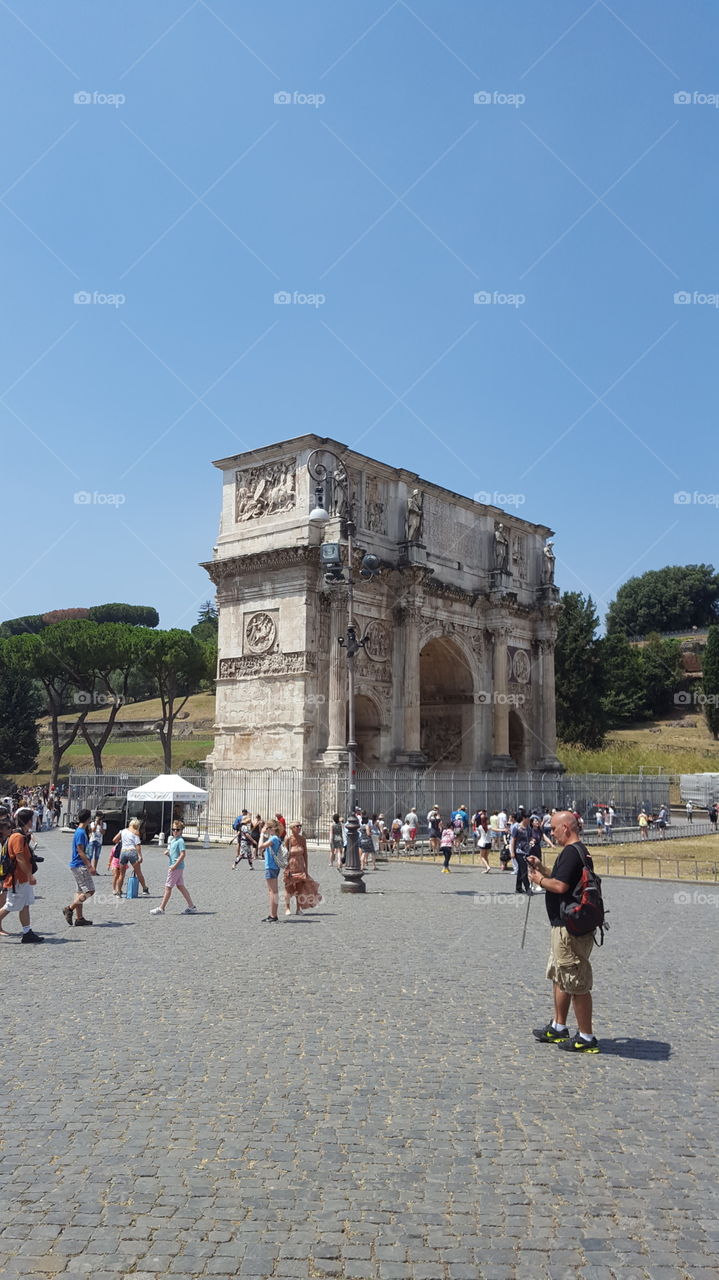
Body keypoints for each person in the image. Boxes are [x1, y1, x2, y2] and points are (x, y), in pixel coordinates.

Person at [528, 810, 600, 1053]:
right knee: (560, 976)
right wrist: (543, 870)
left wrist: (538, 880)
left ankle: (586, 1036)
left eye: (554, 829)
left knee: (576, 980)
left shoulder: (571, 852)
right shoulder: (578, 851)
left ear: (566, 829)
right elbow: (562, 879)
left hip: (569, 929)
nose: (551, 833)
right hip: (564, 925)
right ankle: (559, 1026)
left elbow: (559, 886)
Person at [0, 807, 44, 943]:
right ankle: (27, 932)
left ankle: (27, 932)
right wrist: (30, 875)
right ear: (28, 821)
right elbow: (19, 858)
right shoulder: (17, 837)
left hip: (21, 877)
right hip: (18, 878)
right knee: (10, 905)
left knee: (25, 904)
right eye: (32, 819)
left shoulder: (18, 835)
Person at [150, 820, 197, 915]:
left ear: (181, 831)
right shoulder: (173, 840)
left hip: (175, 867)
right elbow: (175, 855)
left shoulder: (180, 841)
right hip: (177, 867)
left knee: (168, 887)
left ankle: (161, 908)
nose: (175, 831)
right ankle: (191, 906)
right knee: (180, 886)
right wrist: (168, 854)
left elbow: (183, 854)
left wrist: (174, 866)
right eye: (173, 829)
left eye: (177, 830)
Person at [63, 808, 97, 927]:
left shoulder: (81, 831)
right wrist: (89, 865)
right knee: (90, 891)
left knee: (80, 892)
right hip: (79, 865)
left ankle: (80, 918)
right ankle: (70, 908)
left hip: (77, 864)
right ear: (88, 818)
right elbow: (80, 851)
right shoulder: (81, 833)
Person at [283, 821, 321, 915]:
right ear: (292, 828)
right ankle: (287, 908)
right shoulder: (288, 839)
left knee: (299, 888)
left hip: (300, 867)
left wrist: (306, 869)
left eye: (300, 826)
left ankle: (298, 908)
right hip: (290, 866)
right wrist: (286, 868)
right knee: (288, 888)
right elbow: (284, 854)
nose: (299, 828)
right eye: (297, 826)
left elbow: (305, 855)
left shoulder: (302, 839)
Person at [111, 817, 149, 895]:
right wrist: (140, 856)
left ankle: (119, 891)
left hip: (123, 852)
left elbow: (114, 840)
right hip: (132, 851)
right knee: (138, 872)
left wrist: (121, 841)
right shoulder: (136, 832)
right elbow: (137, 845)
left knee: (122, 874)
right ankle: (144, 888)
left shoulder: (122, 831)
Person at [258, 819, 282, 921]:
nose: (265, 829)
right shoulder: (274, 838)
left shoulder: (274, 839)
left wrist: (261, 834)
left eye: (267, 827)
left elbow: (260, 847)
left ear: (271, 829)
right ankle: (272, 914)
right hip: (273, 867)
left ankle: (273, 915)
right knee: (272, 891)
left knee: (273, 892)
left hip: (271, 867)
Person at [510, 812, 531, 894]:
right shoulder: (516, 827)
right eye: (528, 819)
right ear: (524, 818)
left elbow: (529, 837)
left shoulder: (528, 828)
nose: (529, 820)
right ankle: (528, 888)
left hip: (526, 851)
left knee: (521, 870)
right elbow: (513, 840)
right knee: (524, 869)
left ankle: (518, 887)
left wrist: (532, 840)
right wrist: (512, 852)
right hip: (518, 851)